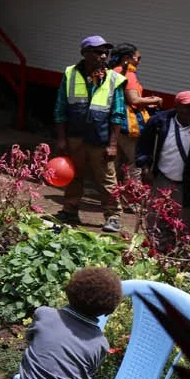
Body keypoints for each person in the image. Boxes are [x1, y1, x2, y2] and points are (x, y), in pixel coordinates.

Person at [55, 35, 126, 233]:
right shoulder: (70, 74)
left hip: (100, 139)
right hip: (75, 137)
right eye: (97, 51)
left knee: (106, 179)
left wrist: (113, 144)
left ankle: (113, 216)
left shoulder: (113, 79)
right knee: (73, 175)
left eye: (106, 52)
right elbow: (60, 109)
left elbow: (118, 114)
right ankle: (70, 210)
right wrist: (61, 139)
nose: (103, 56)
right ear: (84, 53)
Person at [138, 90, 190, 248]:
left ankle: (185, 258)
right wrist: (145, 167)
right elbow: (144, 147)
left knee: (187, 224)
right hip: (163, 178)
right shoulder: (159, 122)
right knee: (156, 218)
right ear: (177, 107)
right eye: (188, 107)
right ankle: (156, 252)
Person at [110, 43, 160, 185]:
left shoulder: (113, 71)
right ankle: (132, 199)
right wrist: (156, 100)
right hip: (128, 124)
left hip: (114, 122)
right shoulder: (128, 74)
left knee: (116, 160)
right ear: (127, 58)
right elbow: (133, 99)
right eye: (138, 58)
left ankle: (111, 195)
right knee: (134, 161)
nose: (139, 61)